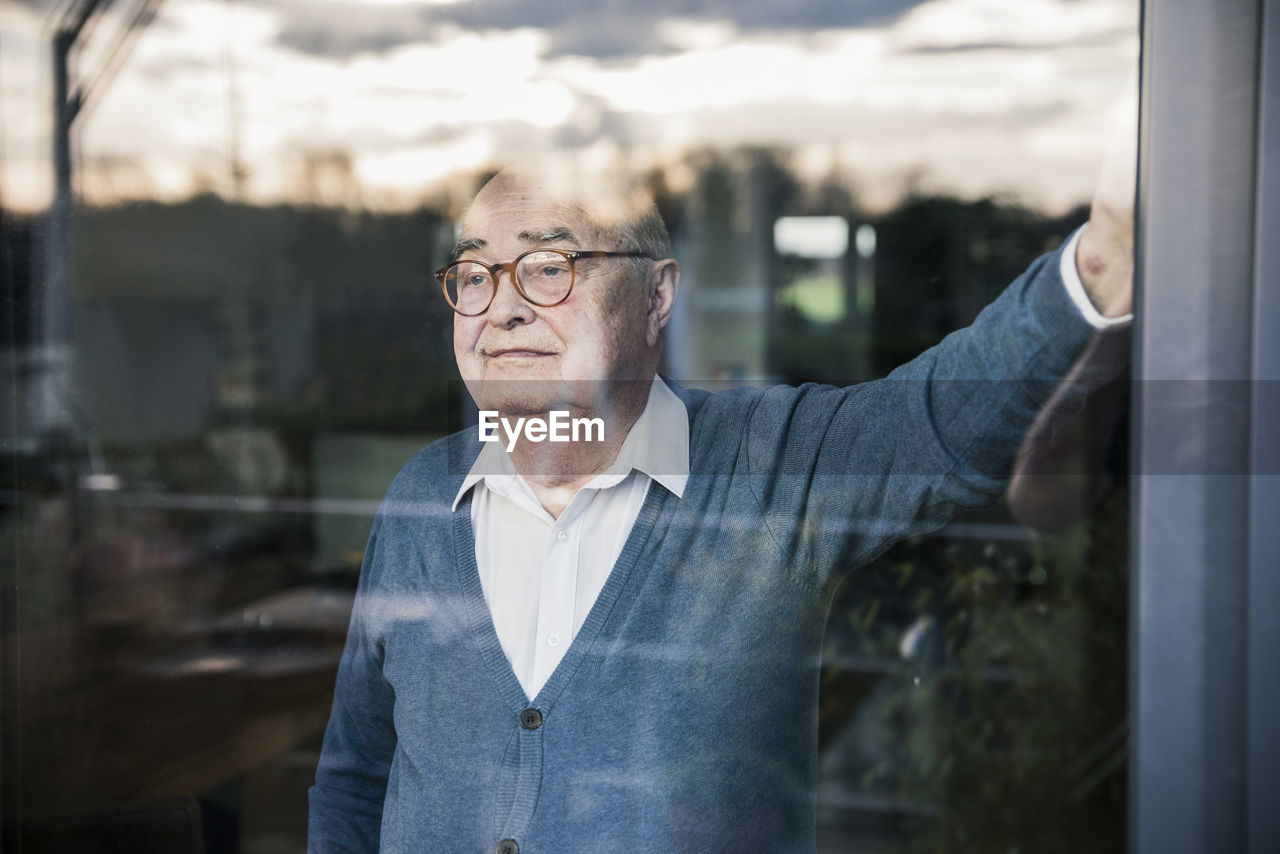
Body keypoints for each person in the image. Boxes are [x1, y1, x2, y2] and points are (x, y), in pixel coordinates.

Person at [307, 164, 1133, 852]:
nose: (503, 305)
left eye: (550, 267)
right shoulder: (421, 495)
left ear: (656, 297)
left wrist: (1099, 263)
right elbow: (355, 775)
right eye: (476, 273)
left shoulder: (770, 467)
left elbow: (940, 422)